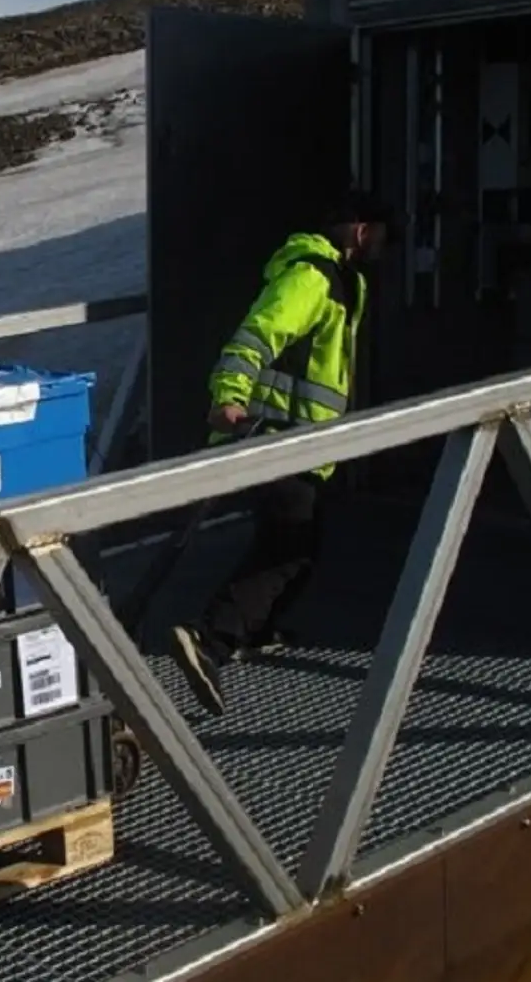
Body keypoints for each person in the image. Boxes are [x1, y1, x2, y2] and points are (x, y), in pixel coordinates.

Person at [169, 194, 390, 716]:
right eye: (381, 234)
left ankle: (256, 628)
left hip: (300, 440)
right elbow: (259, 332)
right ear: (361, 232)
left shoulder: (339, 280)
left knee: (287, 542)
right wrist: (229, 396)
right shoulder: (311, 277)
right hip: (275, 434)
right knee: (291, 550)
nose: (384, 246)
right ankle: (212, 639)